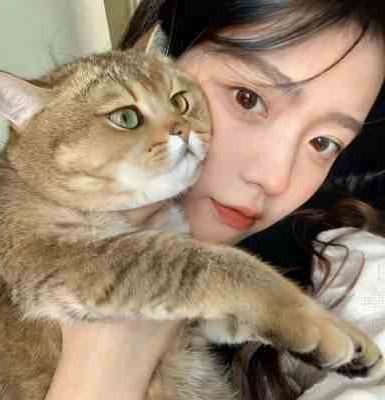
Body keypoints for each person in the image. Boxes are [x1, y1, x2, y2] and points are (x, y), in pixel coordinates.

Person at [44, 1, 385, 399]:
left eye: (324, 143)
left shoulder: (353, 277)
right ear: (156, 55)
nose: (275, 179)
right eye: (247, 98)